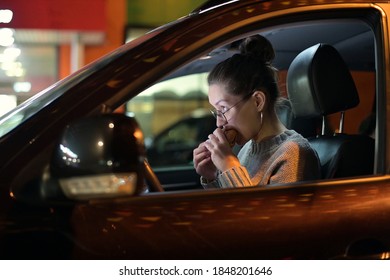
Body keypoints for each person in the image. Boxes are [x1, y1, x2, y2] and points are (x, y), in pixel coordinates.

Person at [193, 35, 321, 188]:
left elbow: (261, 212)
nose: (219, 122)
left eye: (224, 109)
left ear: (257, 101)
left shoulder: (295, 153)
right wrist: (214, 175)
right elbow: (229, 209)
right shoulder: (247, 148)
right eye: (217, 111)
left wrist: (230, 167)